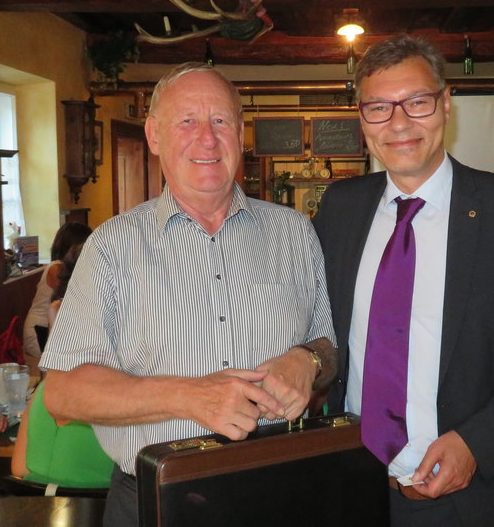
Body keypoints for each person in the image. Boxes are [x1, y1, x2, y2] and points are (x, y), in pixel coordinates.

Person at [312, 34, 494, 526]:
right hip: (351, 483)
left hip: (474, 495)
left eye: (417, 102)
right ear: (362, 120)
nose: (399, 123)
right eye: (379, 107)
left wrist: (477, 445)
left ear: (446, 105)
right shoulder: (341, 208)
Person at [39, 62, 337, 526]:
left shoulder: (295, 233)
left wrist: (309, 360)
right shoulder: (112, 246)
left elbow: (328, 347)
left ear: (241, 133)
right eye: (187, 121)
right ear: (154, 135)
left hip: (277, 493)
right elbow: (61, 393)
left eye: (220, 121)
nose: (207, 138)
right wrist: (189, 396)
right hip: (155, 500)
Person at [12, 241, 113, 489]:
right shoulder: (124, 393)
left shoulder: (45, 395)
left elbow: (19, 469)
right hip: (101, 510)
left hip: (33, 512)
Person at [23, 222, 92, 361]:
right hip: (40, 330)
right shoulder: (56, 268)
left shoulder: (69, 267)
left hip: (54, 327)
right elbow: (73, 298)